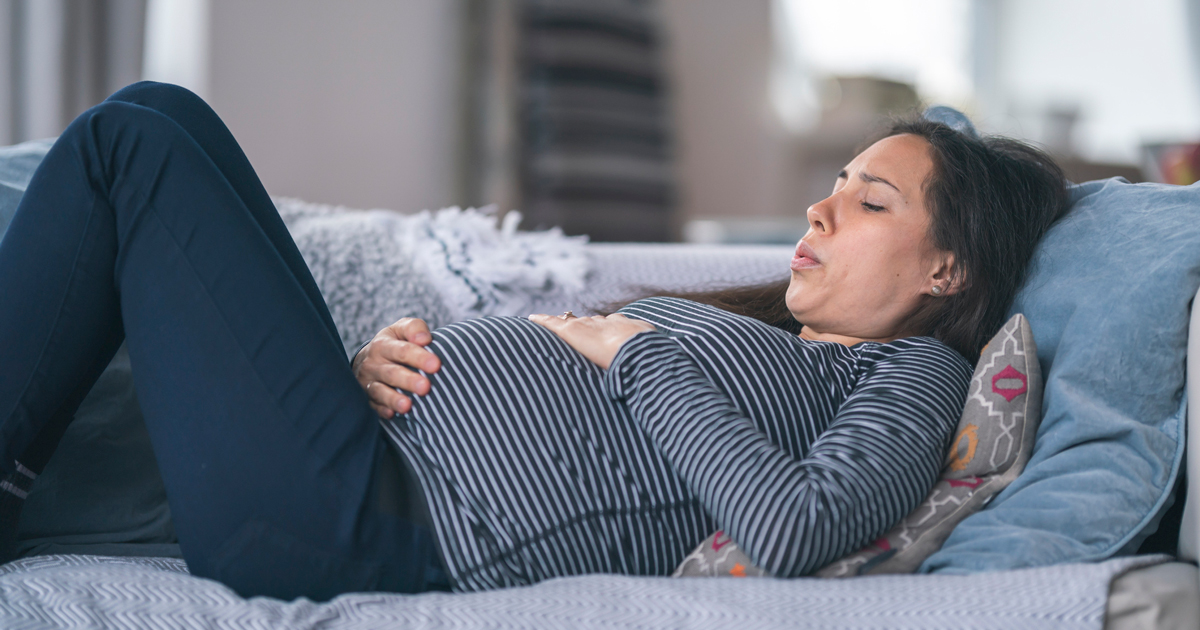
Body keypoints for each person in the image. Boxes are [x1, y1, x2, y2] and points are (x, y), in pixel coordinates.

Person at [0, 82, 1068, 601]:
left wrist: (630, 353)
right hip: (350, 458)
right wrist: (363, 371)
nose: (819, 213)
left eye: (870, 202)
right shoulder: (790, 346)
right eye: (831, 189)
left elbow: (798, 527)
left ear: (949, 270)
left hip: (362, 523)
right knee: (164, 122)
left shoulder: (914, 372)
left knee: (131, 145)